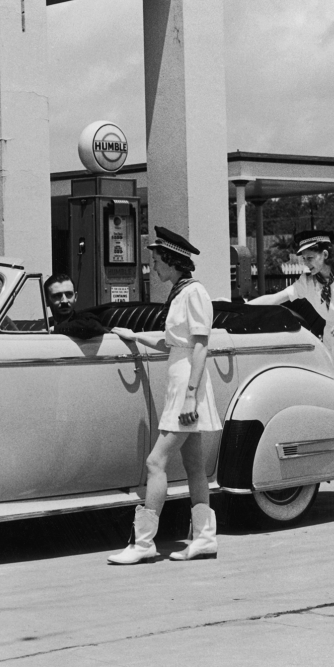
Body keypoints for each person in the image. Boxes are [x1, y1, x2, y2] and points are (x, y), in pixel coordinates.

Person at [106, 227, 220, 564]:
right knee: (195, 465)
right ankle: (204, 538)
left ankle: (143, 544)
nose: (152, 268)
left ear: (171, 261)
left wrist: (189, 397)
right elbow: (173, 341)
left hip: (188, 384)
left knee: (156, 462)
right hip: (182, 379)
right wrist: (135, 335)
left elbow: (200, 347)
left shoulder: (195, 293)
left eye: (156, 261)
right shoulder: (181, 293)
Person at [248, 229, 334, 499]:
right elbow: (277, 298)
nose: (305, 263)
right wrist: (246, 306)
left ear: (325, 254)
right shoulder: (307, 283)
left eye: (310, 257)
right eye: (303, 259)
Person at [44, 272, 107, 339]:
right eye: (57, 296)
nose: (64, 301)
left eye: (69, 294)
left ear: (75, 297)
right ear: (46, 301)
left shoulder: (86, 319)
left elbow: (93, 326)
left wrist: (56, 329)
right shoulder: (46, 324)